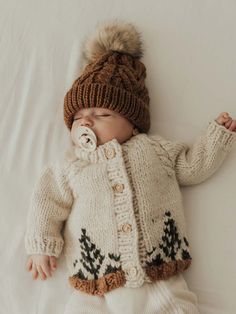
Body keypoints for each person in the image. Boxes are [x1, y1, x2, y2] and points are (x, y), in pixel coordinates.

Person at [25, 20, 236, 314]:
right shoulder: (70, 165)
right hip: (96, 279)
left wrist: (217, 137)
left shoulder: (154, 149)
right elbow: (47, 200)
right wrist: (41, 245)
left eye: (101, 113)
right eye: (77, 118)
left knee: (179, 308)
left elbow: (191, 166)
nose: (86, 121)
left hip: (158, 276)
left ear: (133, 123)